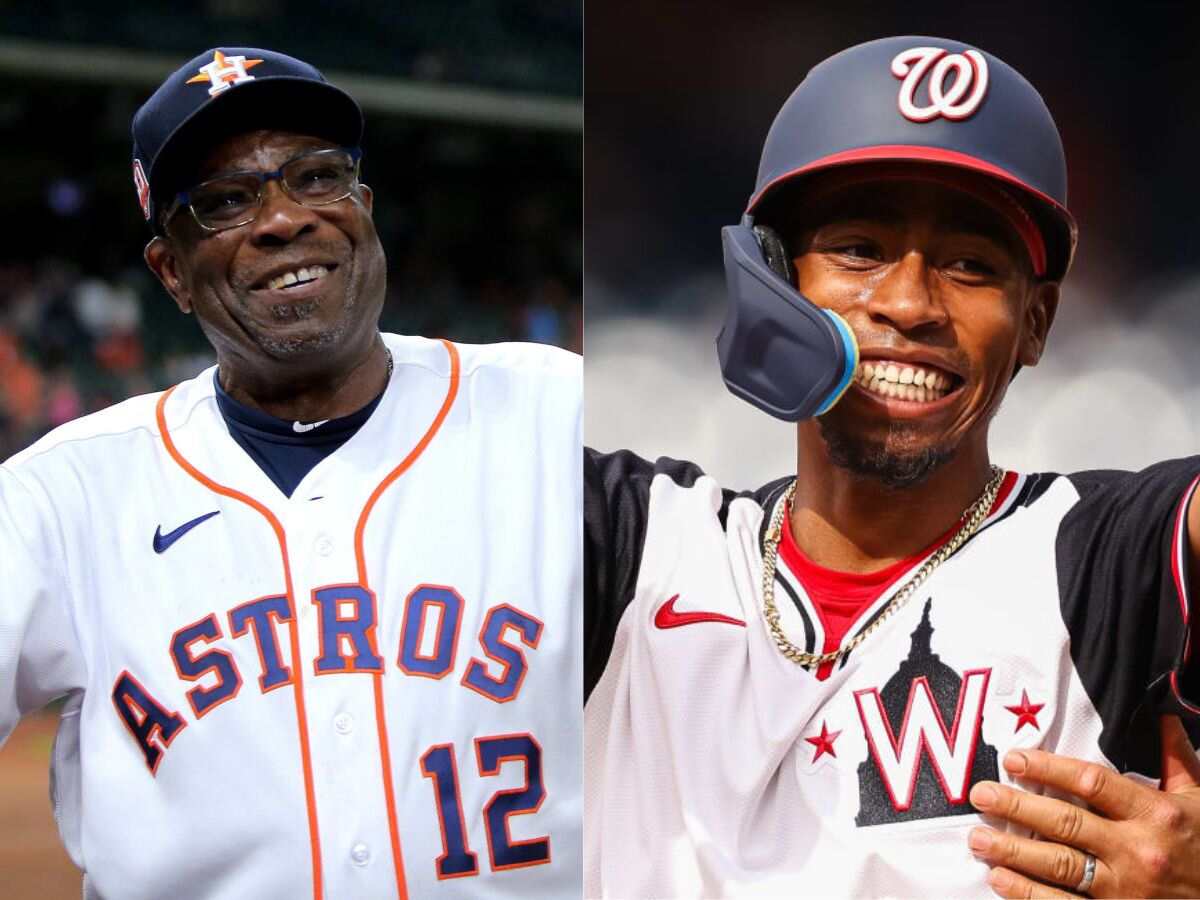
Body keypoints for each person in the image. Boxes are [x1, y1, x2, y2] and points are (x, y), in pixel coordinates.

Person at [584, 36, 1200, 898]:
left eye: (970, 266)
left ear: (1036, 322)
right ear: (769, 279)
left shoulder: (1107, 561)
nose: (909, 304)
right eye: (860, 249)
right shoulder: (635, 546)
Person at [0, 48, 581, 899]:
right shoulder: (61, 497)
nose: (282, 219)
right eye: (226, 201)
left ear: (364, 210)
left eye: (315, 178)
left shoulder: (561, 418)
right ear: (171, 273)